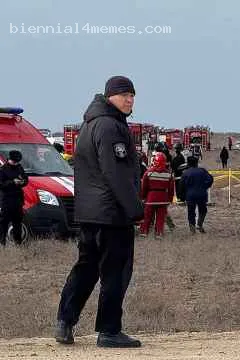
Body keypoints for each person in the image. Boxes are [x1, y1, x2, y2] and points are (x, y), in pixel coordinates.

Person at [56, 76, 144, 348]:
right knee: (115, 272)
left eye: (132, 95)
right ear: (110, 97)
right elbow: (115, 173)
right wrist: (134, 210)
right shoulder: (110, 127)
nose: (130, 100)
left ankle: (65, 322)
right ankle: (109, 331)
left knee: (86, 268)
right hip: (111, 214)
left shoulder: (90, 124)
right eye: (124, 95)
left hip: (89, 213)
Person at [139, 152, 174, 238]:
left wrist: (143, 197)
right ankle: (159, 233)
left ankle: (144, 231)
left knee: (147, 216)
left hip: (150, 198)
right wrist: (169, 199)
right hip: (163, 199)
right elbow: (171, 189)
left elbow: (144, 187)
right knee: (160, 217)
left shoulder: (148, 173)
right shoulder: (169, 174)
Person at [0, 150, 28, 245]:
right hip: (7, 199)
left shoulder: (19, 167)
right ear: (9, 159)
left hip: (18, 199)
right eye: (14, 162)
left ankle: (18, 243)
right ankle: (2, 242)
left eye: (17, 162)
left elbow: (26, 179)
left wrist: (23, 181)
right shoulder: (3, 169)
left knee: (17, 222)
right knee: (4, 222)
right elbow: (1, 184)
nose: (16, 163)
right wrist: (12, 182)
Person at [181, 156, 213, 234]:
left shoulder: (185, 173)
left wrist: (182, 196)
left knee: (191, 211)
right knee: (203, 210)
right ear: (196, 163)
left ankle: (192, 228)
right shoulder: (202, 171)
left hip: (190, 195)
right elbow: (210, 179)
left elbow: (181, 185)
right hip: (202, 194)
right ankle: (199, 224)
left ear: (188, 163)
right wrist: (205, 186)